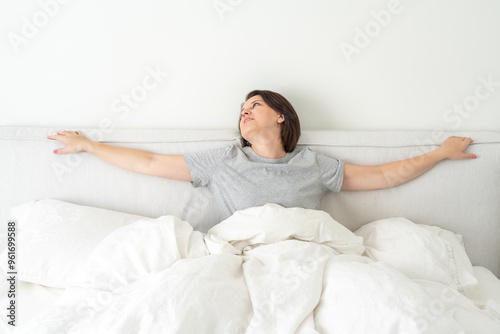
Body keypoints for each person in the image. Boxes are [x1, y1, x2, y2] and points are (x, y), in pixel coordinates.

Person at [48, 90, 476, 221]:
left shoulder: (314, 164)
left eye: (254, 105)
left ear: (280, 118)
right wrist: (88, 145)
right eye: (241, 110)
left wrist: (440, 152)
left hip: (301, 248)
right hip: (243, 250)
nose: (244, 112)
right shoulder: (223, 161)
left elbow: (384, 176)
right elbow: (149, 163)